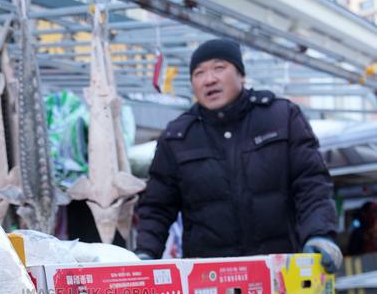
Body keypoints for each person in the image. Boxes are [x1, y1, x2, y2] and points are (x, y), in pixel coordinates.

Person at [135, 38, 342, 273]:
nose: (209, 79)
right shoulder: (178, 137)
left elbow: (311, 183)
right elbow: (157, 206)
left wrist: (320, 234)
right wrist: (145, 254)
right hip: (211, 279)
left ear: (241, 75)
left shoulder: (281, 117)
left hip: (282, 271)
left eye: (219, 68)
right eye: (199, 73)